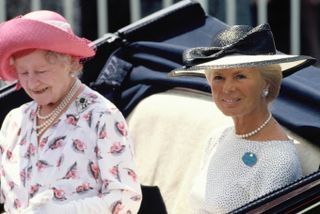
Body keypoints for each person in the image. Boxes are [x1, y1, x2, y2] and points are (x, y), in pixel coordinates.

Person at [0, 10, 142, 213]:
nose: (31, 82)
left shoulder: (102, 116)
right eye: (23, 73)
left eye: (41, 71)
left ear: (71, 63)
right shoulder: (15, 120)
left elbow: (125, 200)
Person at [170, 24, 316, 213]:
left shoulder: (279, 161)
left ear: (267, 83)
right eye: (219, 77)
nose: (227, 88)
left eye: (240, 76)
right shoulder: (219, 137)